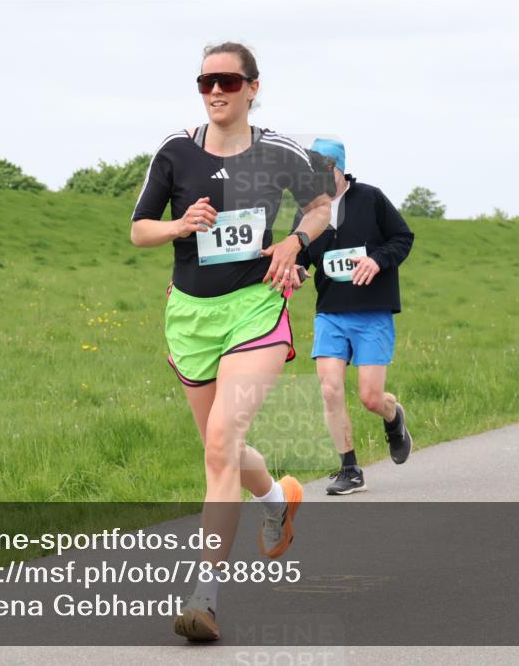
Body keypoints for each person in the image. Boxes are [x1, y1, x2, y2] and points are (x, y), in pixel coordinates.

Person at [130, 42, 332, 641]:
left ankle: (204, 599)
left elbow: (323, 204)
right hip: (190, 314)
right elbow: (140, 229)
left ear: (252, 87)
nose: (215, 91)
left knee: (221, 442)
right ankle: (277, 502)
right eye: (205, 81)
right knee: (223, 451)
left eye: (227, 80)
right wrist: (180, 224)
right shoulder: (174, 151)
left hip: (255, 308)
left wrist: (296, 241)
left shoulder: (278, 149)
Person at [293, 139, 415, 495]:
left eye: (324, 170)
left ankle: (394, 417)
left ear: (340, 169)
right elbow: (299, 254)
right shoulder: (308, 210)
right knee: (330, 389)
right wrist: (296, 272)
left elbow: (403, 237)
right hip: (330, 314)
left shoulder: (371, 198)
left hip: (371, 313)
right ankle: (350, 467)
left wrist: (377, 260)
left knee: (370, 398)